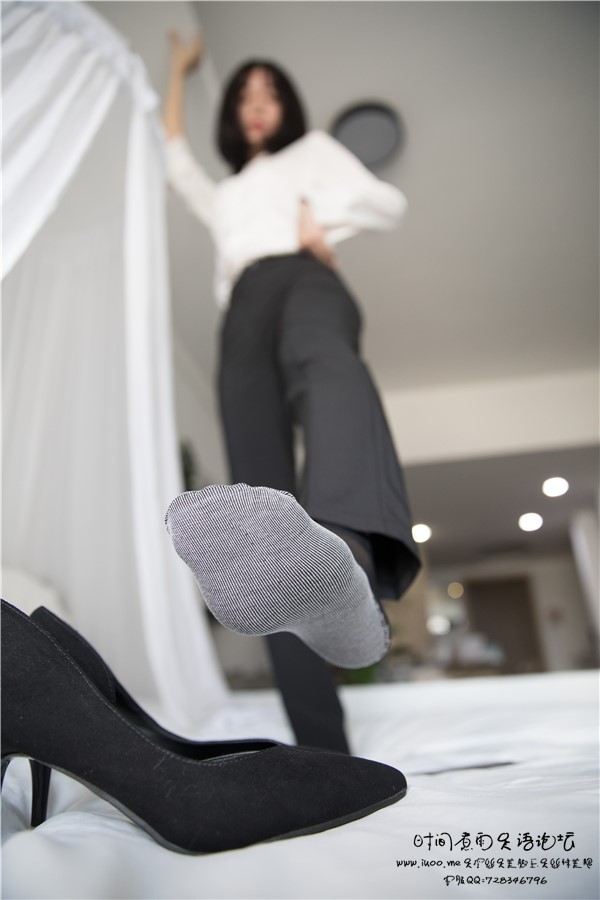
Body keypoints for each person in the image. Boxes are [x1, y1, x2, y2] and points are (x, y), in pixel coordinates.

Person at [162, 33, 420, 754]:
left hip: (304, 277)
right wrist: (178, 71)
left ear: (287, 108)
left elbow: (388, 203)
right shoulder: (226, 195)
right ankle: (324, 750)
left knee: (327, 366)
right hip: (242, 309)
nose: (256, 106)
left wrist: (321, 220)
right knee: (264, 529)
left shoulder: (311, 152)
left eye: (269, 94)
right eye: (244, 96)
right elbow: (174, 156)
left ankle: (348, 549)